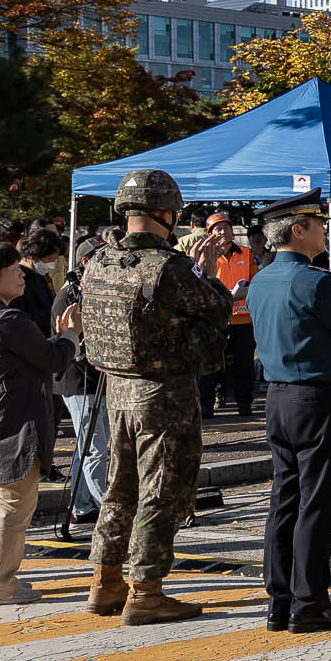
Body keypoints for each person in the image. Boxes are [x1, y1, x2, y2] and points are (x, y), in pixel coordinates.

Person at [78, 168, 233, 624]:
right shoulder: (169, 266)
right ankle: (146, 592)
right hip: (164, 393)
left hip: (116, 387)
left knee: (119, 488)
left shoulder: (100, 261)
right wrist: (206, 273)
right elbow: (219, 309)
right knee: (162, 491)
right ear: (166, 212)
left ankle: (104, 583)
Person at [248, 196, 331, 633]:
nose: (326, 230)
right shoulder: (315, 281)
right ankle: (310, 601)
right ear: (297, 230)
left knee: (285, 499)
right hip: (318, 397)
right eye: (318, 224)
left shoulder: (261, 279)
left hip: (279, 397)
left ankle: (279, 600)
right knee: (317, 502)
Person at [0, 242, 79, 606]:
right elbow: (51, 360)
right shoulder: (6, 319)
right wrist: (72, 335)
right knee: (14, 504)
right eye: (13, 270)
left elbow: (29, 356)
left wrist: (56, 340)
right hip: (11, 422)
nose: (21, 275)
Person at [49, 239, 108, 543]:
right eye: (102, 256)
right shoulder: (69, 295)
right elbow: (67, 339)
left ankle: (83, 505)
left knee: (88, 446)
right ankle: (109, 509)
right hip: (78, 378)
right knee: (96, 447)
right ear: (86, 261)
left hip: (97, 377)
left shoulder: (94, 290)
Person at [198, 212, 258, 419]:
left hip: (243, 319)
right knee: (212, 363)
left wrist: (246, 291)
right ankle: (208, 404)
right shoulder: (205, 255)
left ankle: (245, 404)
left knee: (244, 364)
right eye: (218, 229)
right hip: (216, 319)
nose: (223, 232)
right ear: (210, 233)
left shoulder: (246, 253)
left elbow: (256, 280)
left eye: (226, 228)